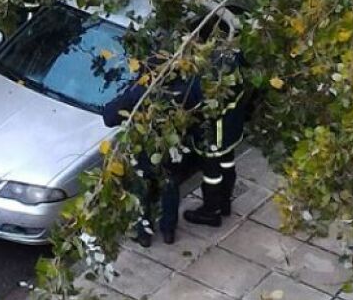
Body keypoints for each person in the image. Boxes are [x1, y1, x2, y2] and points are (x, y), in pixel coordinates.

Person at [102, 58, 203, 247]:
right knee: (170, 186)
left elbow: (109, 116)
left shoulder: (139, 93)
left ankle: (144, 234)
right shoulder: (185, 88)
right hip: (172, 150)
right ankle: (168, 231)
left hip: (144, 152)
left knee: (142, 191)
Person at [179, 18, 256, 227]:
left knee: (212, 173)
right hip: (232, 126)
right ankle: (225, 202)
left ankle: (211, 211)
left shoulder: (208, 75)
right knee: (228, 163)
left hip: (214, 132)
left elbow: (192, 100)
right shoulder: (232, 58)